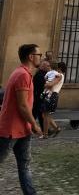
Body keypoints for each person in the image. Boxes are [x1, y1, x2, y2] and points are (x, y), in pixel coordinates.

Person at [0, 43, 43, 194]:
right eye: (39, 55)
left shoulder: (23, 73)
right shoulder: (23, 75)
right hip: (10, 129)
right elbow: (23, 106)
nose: (41, 58)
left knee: (25, 165)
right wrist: (35, 125)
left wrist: (29, 125)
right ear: (31, 57)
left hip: (23, 129)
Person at [40, 62, 65, 139]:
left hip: (52, 95)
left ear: (59, 68)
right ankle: (56, 128)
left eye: (57, 67)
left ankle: (45, 134)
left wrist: (44, 84)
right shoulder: (57, 75)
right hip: (51, 94)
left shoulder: (59, 75)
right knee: (45, 115)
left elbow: (50, 85)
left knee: (46, 115)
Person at [31, 59, 48, 132]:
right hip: (38, 96)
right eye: (47, 66)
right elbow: (41, 86)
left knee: (39, 113)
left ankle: (36, 128)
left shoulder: (43, 74)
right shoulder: (40, 75)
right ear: (43, 66)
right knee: (36, 113)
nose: (48, 67)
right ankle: (32, 128)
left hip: (39, 96)